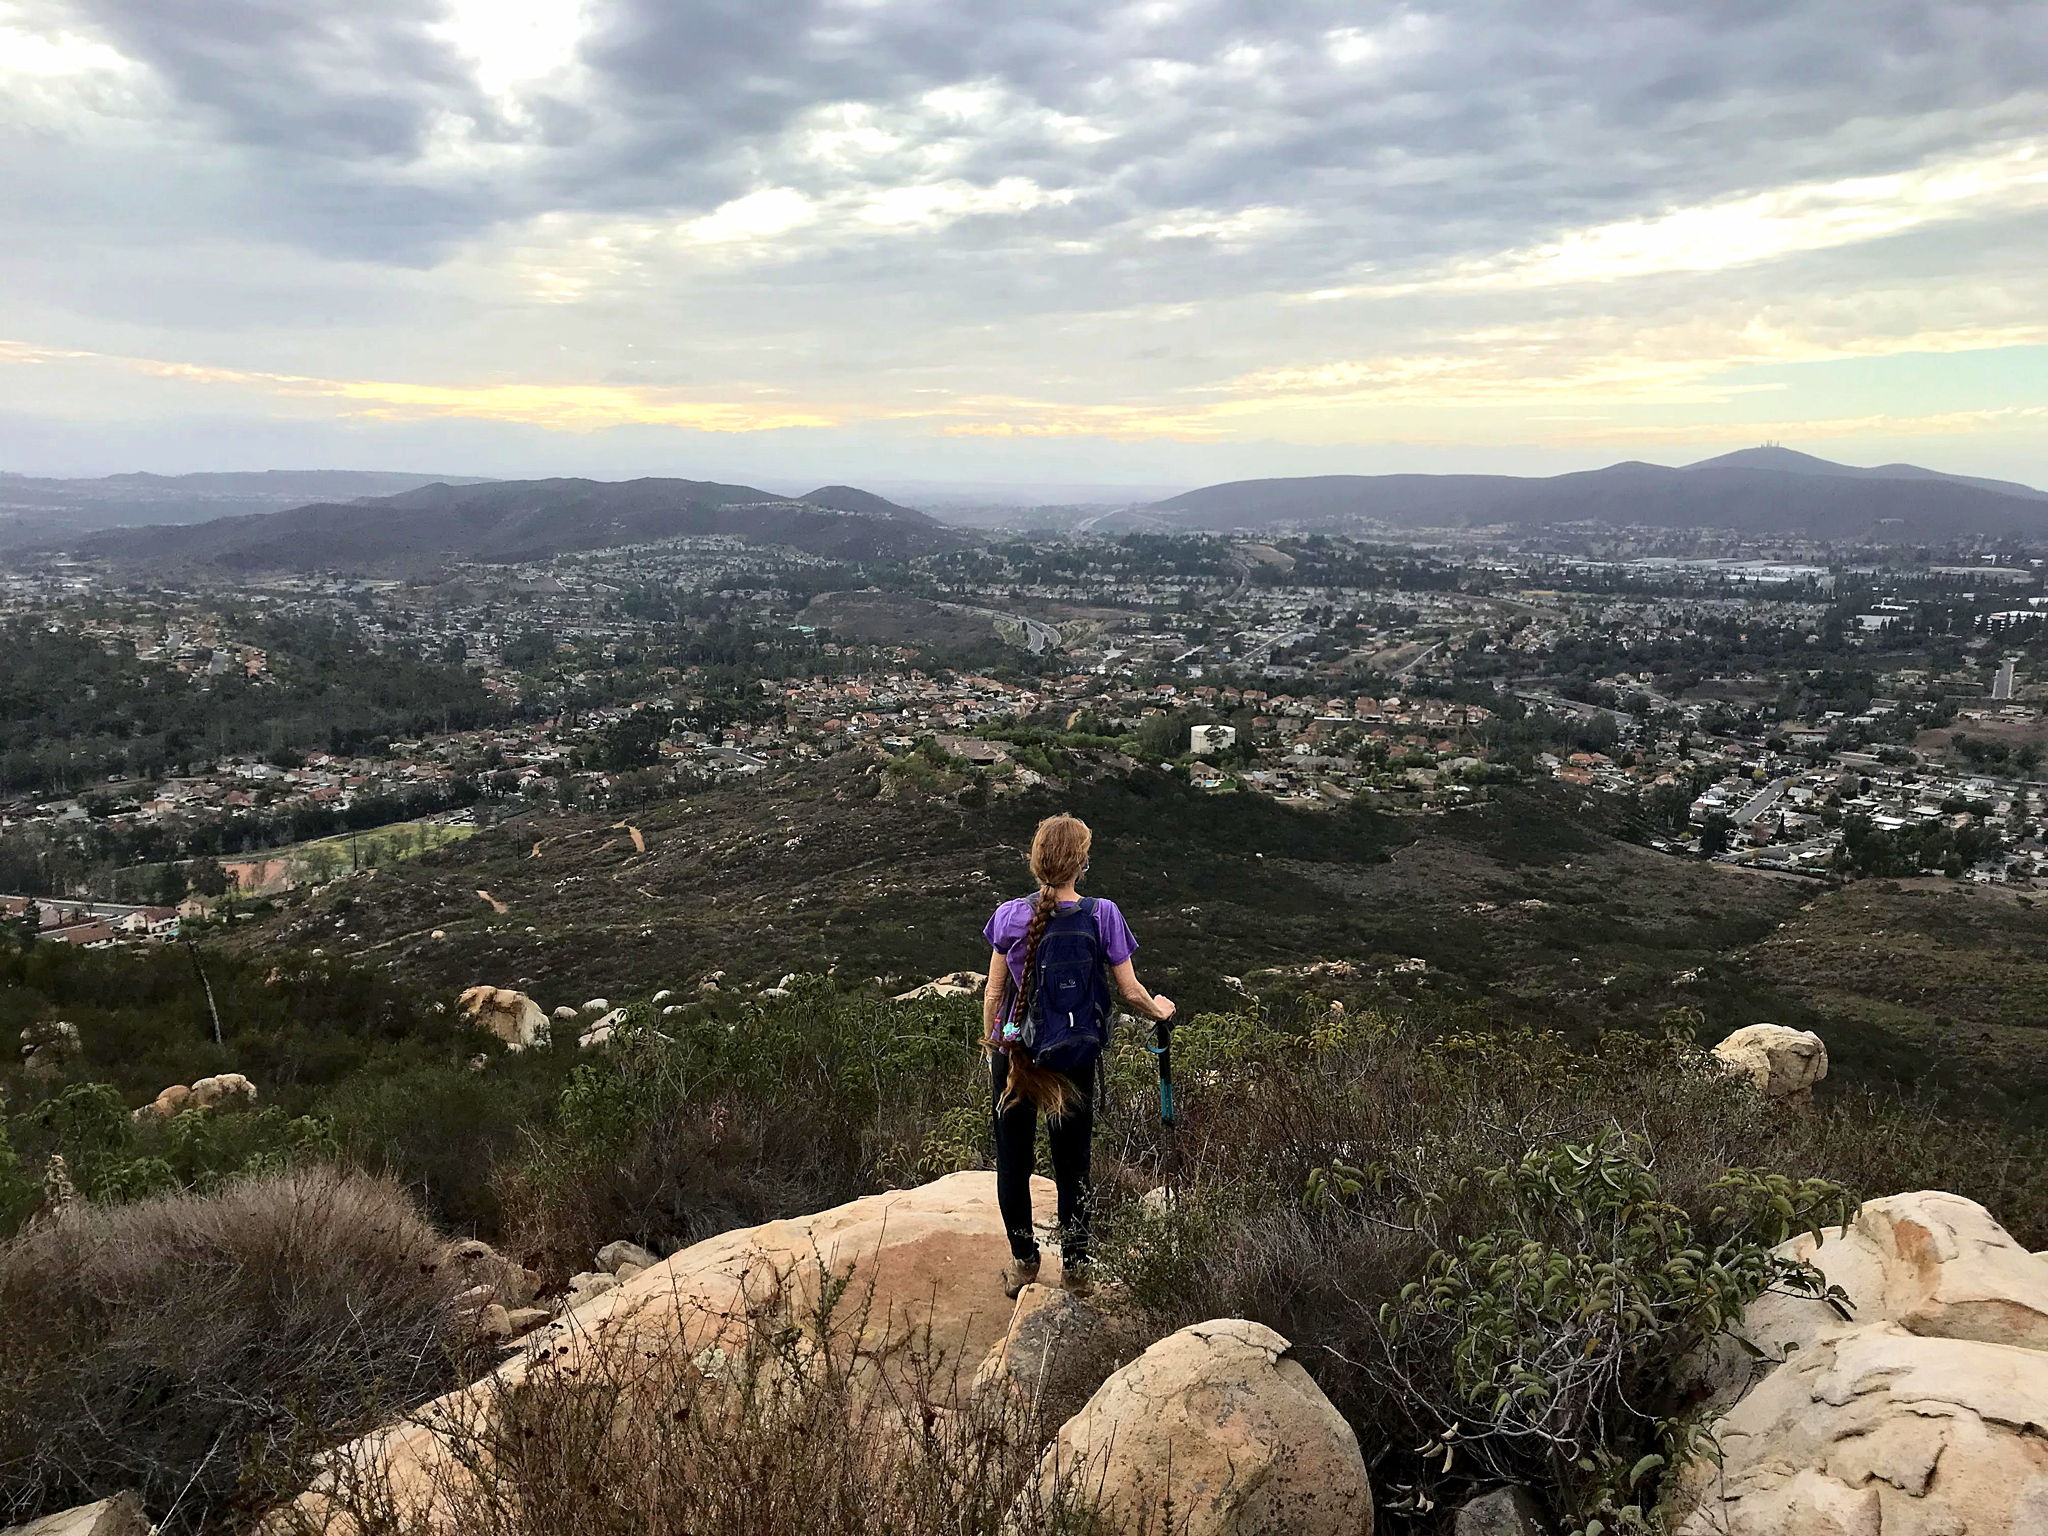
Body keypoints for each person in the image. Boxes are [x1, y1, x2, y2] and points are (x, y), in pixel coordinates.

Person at [982, 813, 1175, 1297]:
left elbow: (993, 993)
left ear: (1036, 861)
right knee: (1072, 1165)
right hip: (1073, 1055)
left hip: (1017, 1053)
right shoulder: (1102, 913)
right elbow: (1130, 992)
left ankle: (1025, 1263)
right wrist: (1161, 1010)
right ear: (1081, 862)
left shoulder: (1009, 915)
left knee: (1013, 1162)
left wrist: (994, 1048)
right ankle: (1075, 1268)